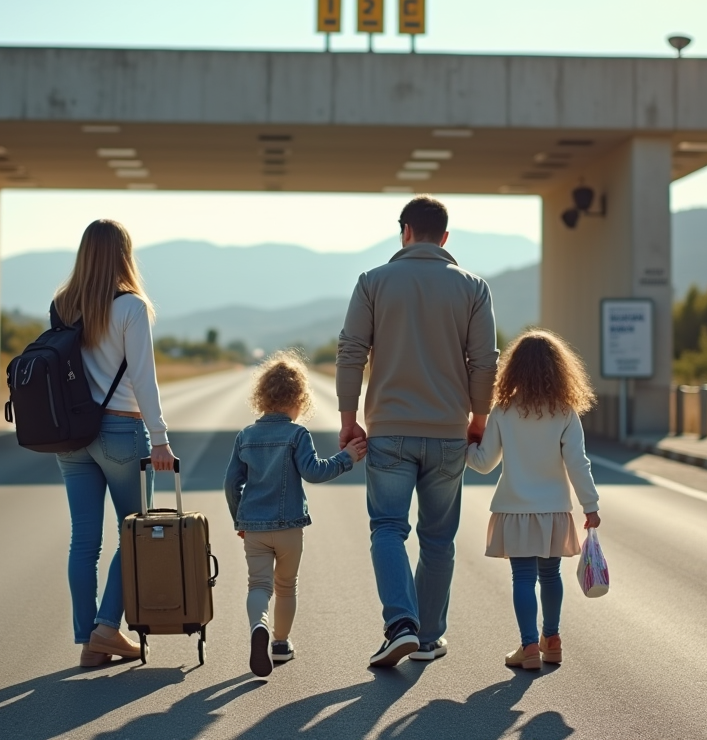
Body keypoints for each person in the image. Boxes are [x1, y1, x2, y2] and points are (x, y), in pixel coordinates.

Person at [336, 195, 499, 667]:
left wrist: (349, 419)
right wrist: (479, 419)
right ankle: (427, 638)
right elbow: (484, 361)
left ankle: (399, 625)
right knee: (438, 538)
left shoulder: (373, 282)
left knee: (387, 527)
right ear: (445, 238)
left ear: (404, 231)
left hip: (389, 430)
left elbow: (351, 351)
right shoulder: (474, 288)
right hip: (449, 432)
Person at [52, 219, 177, 668]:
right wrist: (159, 440)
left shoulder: (63, 305)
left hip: (71, 436)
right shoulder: (131, 307)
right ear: (124, 253)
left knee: (83, 541)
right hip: (121, 431)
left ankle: (89, 641)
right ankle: (108, 628)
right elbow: (144, 379)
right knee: (136, 532)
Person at [225, 351, 367, 678]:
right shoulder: (297, 435)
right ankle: (280, 643)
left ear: (262, 396)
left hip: (255, 527)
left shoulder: (245, 436)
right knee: (286, 585)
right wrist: (346, 458)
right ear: (300, 399)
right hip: (290, 528)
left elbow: (231, 483)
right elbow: (314, 472)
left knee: (258, 585)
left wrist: (240, 520)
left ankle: (257, 627)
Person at [465, 329, 601, 670]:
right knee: (551, 575)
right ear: (560, 369)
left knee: (522, 578)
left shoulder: (504, 412)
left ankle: (528, 649)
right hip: (553, 509)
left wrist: (468, 444)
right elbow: (577, 464)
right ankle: (551, 641)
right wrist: (591, 506)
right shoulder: (566, 413)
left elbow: (483, 464)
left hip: (514, 508)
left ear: (514, 370)